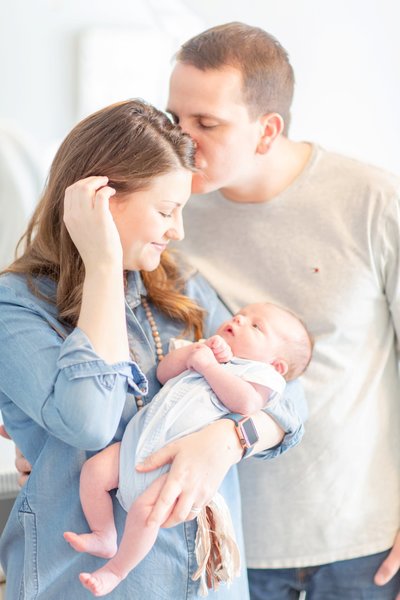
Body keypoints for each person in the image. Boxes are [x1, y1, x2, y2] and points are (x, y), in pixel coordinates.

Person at [0, 98, 305, 599]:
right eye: (166, 210)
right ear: (100, 199)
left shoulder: (179, 286)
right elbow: (89, 422)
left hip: (208, 586)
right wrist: (103, 269)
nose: (177, 230)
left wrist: (232, 439)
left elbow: (288, 388)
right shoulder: (17, 307)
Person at [166, 21, 400, 600]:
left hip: (363, 544)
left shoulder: (373, 201)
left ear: (267, 130)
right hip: (221, 540)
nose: (179, 140)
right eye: (174, 118)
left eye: (206, 124)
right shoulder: (168, 213)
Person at [64, 302, 312, 597]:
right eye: (241, 315)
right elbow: (163, 374)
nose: (240, 319)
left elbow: (245, 404)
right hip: (138, 443)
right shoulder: (204, 349)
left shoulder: (261, 376)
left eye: (256, 326)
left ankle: (117, 569)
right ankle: (103, 533)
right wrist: (193, 355)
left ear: (277, 365)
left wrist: (209, 367)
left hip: (173, 466)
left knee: (148, 514)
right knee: (94, 472)